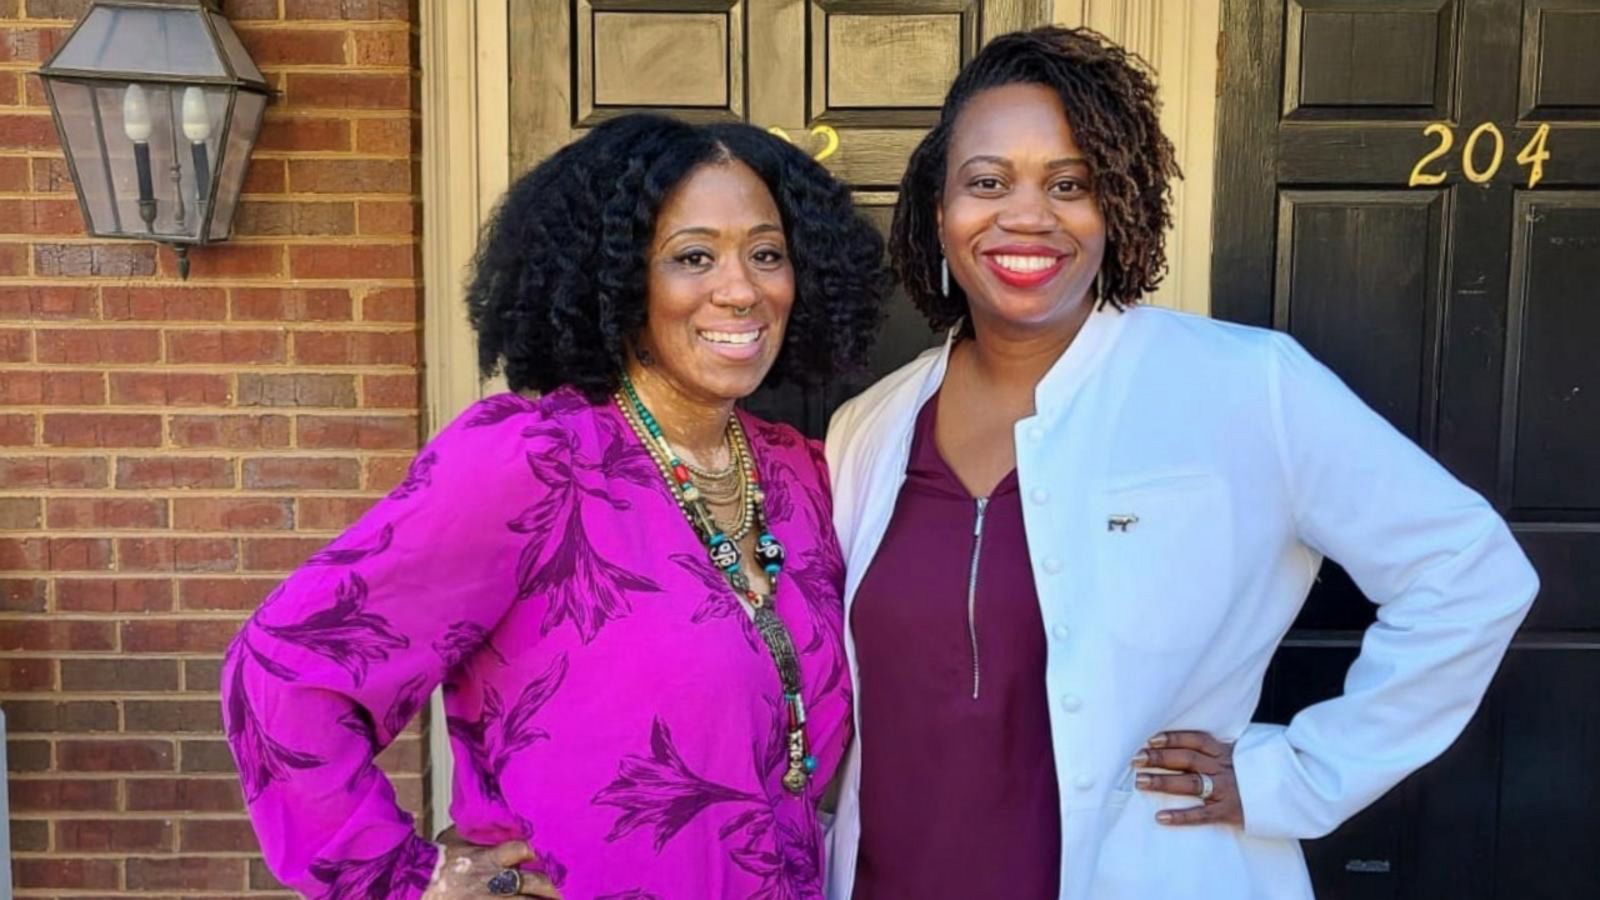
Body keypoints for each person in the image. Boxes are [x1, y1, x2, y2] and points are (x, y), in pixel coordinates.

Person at [823, 26, 1539, 900]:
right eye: (987, 182)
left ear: (1114, 207)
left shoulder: (1243, 386)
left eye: (1070, 184)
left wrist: (1300, 775)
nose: (1026, 215)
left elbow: (1470, 570)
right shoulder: (871, 425)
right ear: (939, 210)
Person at [221, 113, 885, 899]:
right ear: (617, 278)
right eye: (693, 257)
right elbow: (285, 673)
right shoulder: (534, 465)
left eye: (766, 254)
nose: (740, 289)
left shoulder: (803, 475)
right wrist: (402, 878)